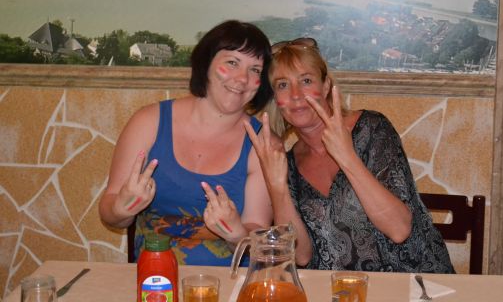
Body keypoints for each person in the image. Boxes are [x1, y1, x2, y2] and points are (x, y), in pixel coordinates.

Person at [244, 37, 454, 273]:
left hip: (415, 284)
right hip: (339, 289)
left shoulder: (371, 128)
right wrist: (277, 187)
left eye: (306, 80)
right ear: (276, 99)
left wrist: (346, 156)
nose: (295, 94)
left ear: (325, 87)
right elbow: (301, 256)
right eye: (283, 85)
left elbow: (399, 229)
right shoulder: (289, 164)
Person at [99, 20, 273, 265]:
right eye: (232, 63)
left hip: (234, 283)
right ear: (206, 63)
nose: (242, 78)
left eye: (255, 70)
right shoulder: (148, 121)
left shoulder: (263, 143)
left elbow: (258, 238)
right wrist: (121, 209)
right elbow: (109, 211)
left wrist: (236, 233)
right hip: (156, 279)